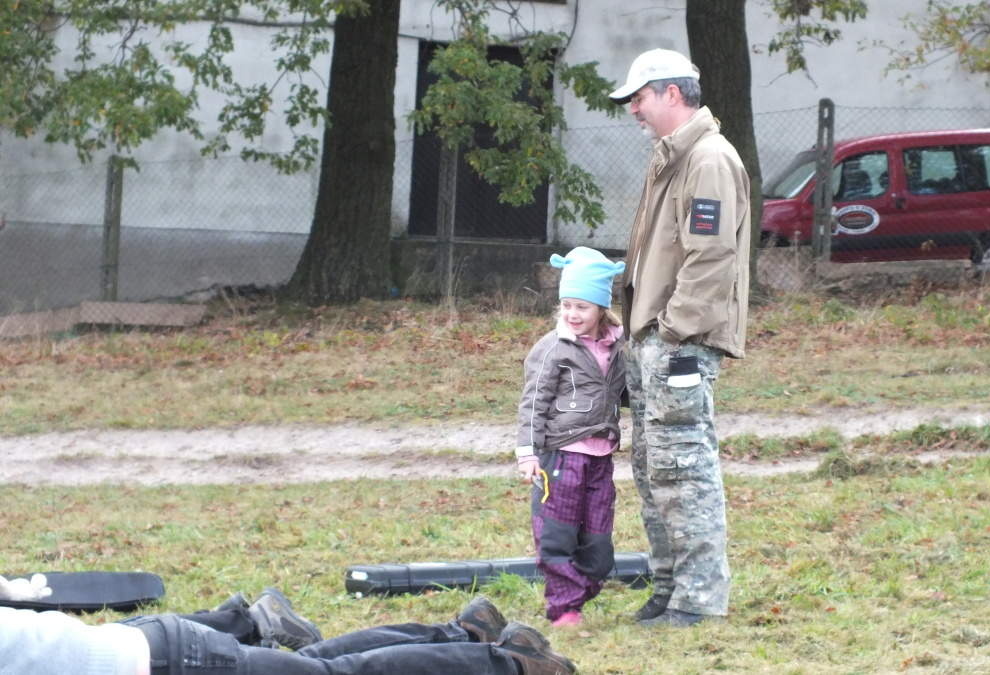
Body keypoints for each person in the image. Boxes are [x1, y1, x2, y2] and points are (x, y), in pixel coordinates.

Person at [607, 48, 751, 627]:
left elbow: (711, 257)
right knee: (655, 469)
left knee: (684, 471)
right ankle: (668, 587)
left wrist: (672, 332)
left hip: (678, 345)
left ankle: (697, 599)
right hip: (654, 341)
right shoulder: (672, 157)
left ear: (671, 93)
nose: (633, 110)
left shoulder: (707, 158)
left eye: (638, 98)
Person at [0, 582, 575, 675]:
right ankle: (465, 635)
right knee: (319, 663)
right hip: (153, 644)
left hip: (171, 665)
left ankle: (510, 663)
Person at [516, 246, 627, 627]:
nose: (572, 314)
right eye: (566, 305)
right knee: (558, 534)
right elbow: (533, 403)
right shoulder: (553, 348)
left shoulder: (617, 347)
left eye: (582, 306)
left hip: (600, 457)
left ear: (601, 309)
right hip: (561, 456)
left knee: (598, 542)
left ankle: (582, 589)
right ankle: (565, 608)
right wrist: (528, 453)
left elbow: (623, 391)